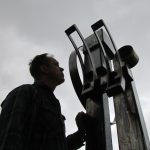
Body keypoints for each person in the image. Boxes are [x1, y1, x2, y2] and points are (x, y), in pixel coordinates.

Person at [0, 53, 87, 150]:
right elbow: (10, 136)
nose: (62, 69)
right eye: (56, 65)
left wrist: (81, 132)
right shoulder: (26, 92)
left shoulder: (54, 103)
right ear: (44, 69)